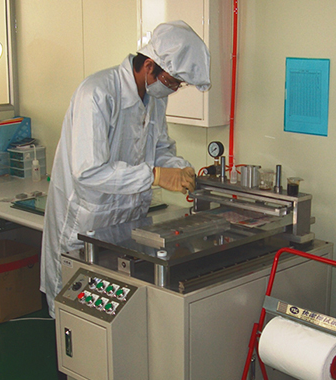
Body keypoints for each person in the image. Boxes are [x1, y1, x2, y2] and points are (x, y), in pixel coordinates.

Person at [41, 20, 211, 318]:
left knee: (111, 319)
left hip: (125, 225)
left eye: (177, 84)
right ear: (148, 66)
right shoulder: (96, 94)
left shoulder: (154, 100)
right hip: (85, 223)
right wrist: (156, 176)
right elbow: (88, 171)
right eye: (171, 81)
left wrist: (181, 170)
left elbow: (159, 150)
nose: (172, 89)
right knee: (73, 317)